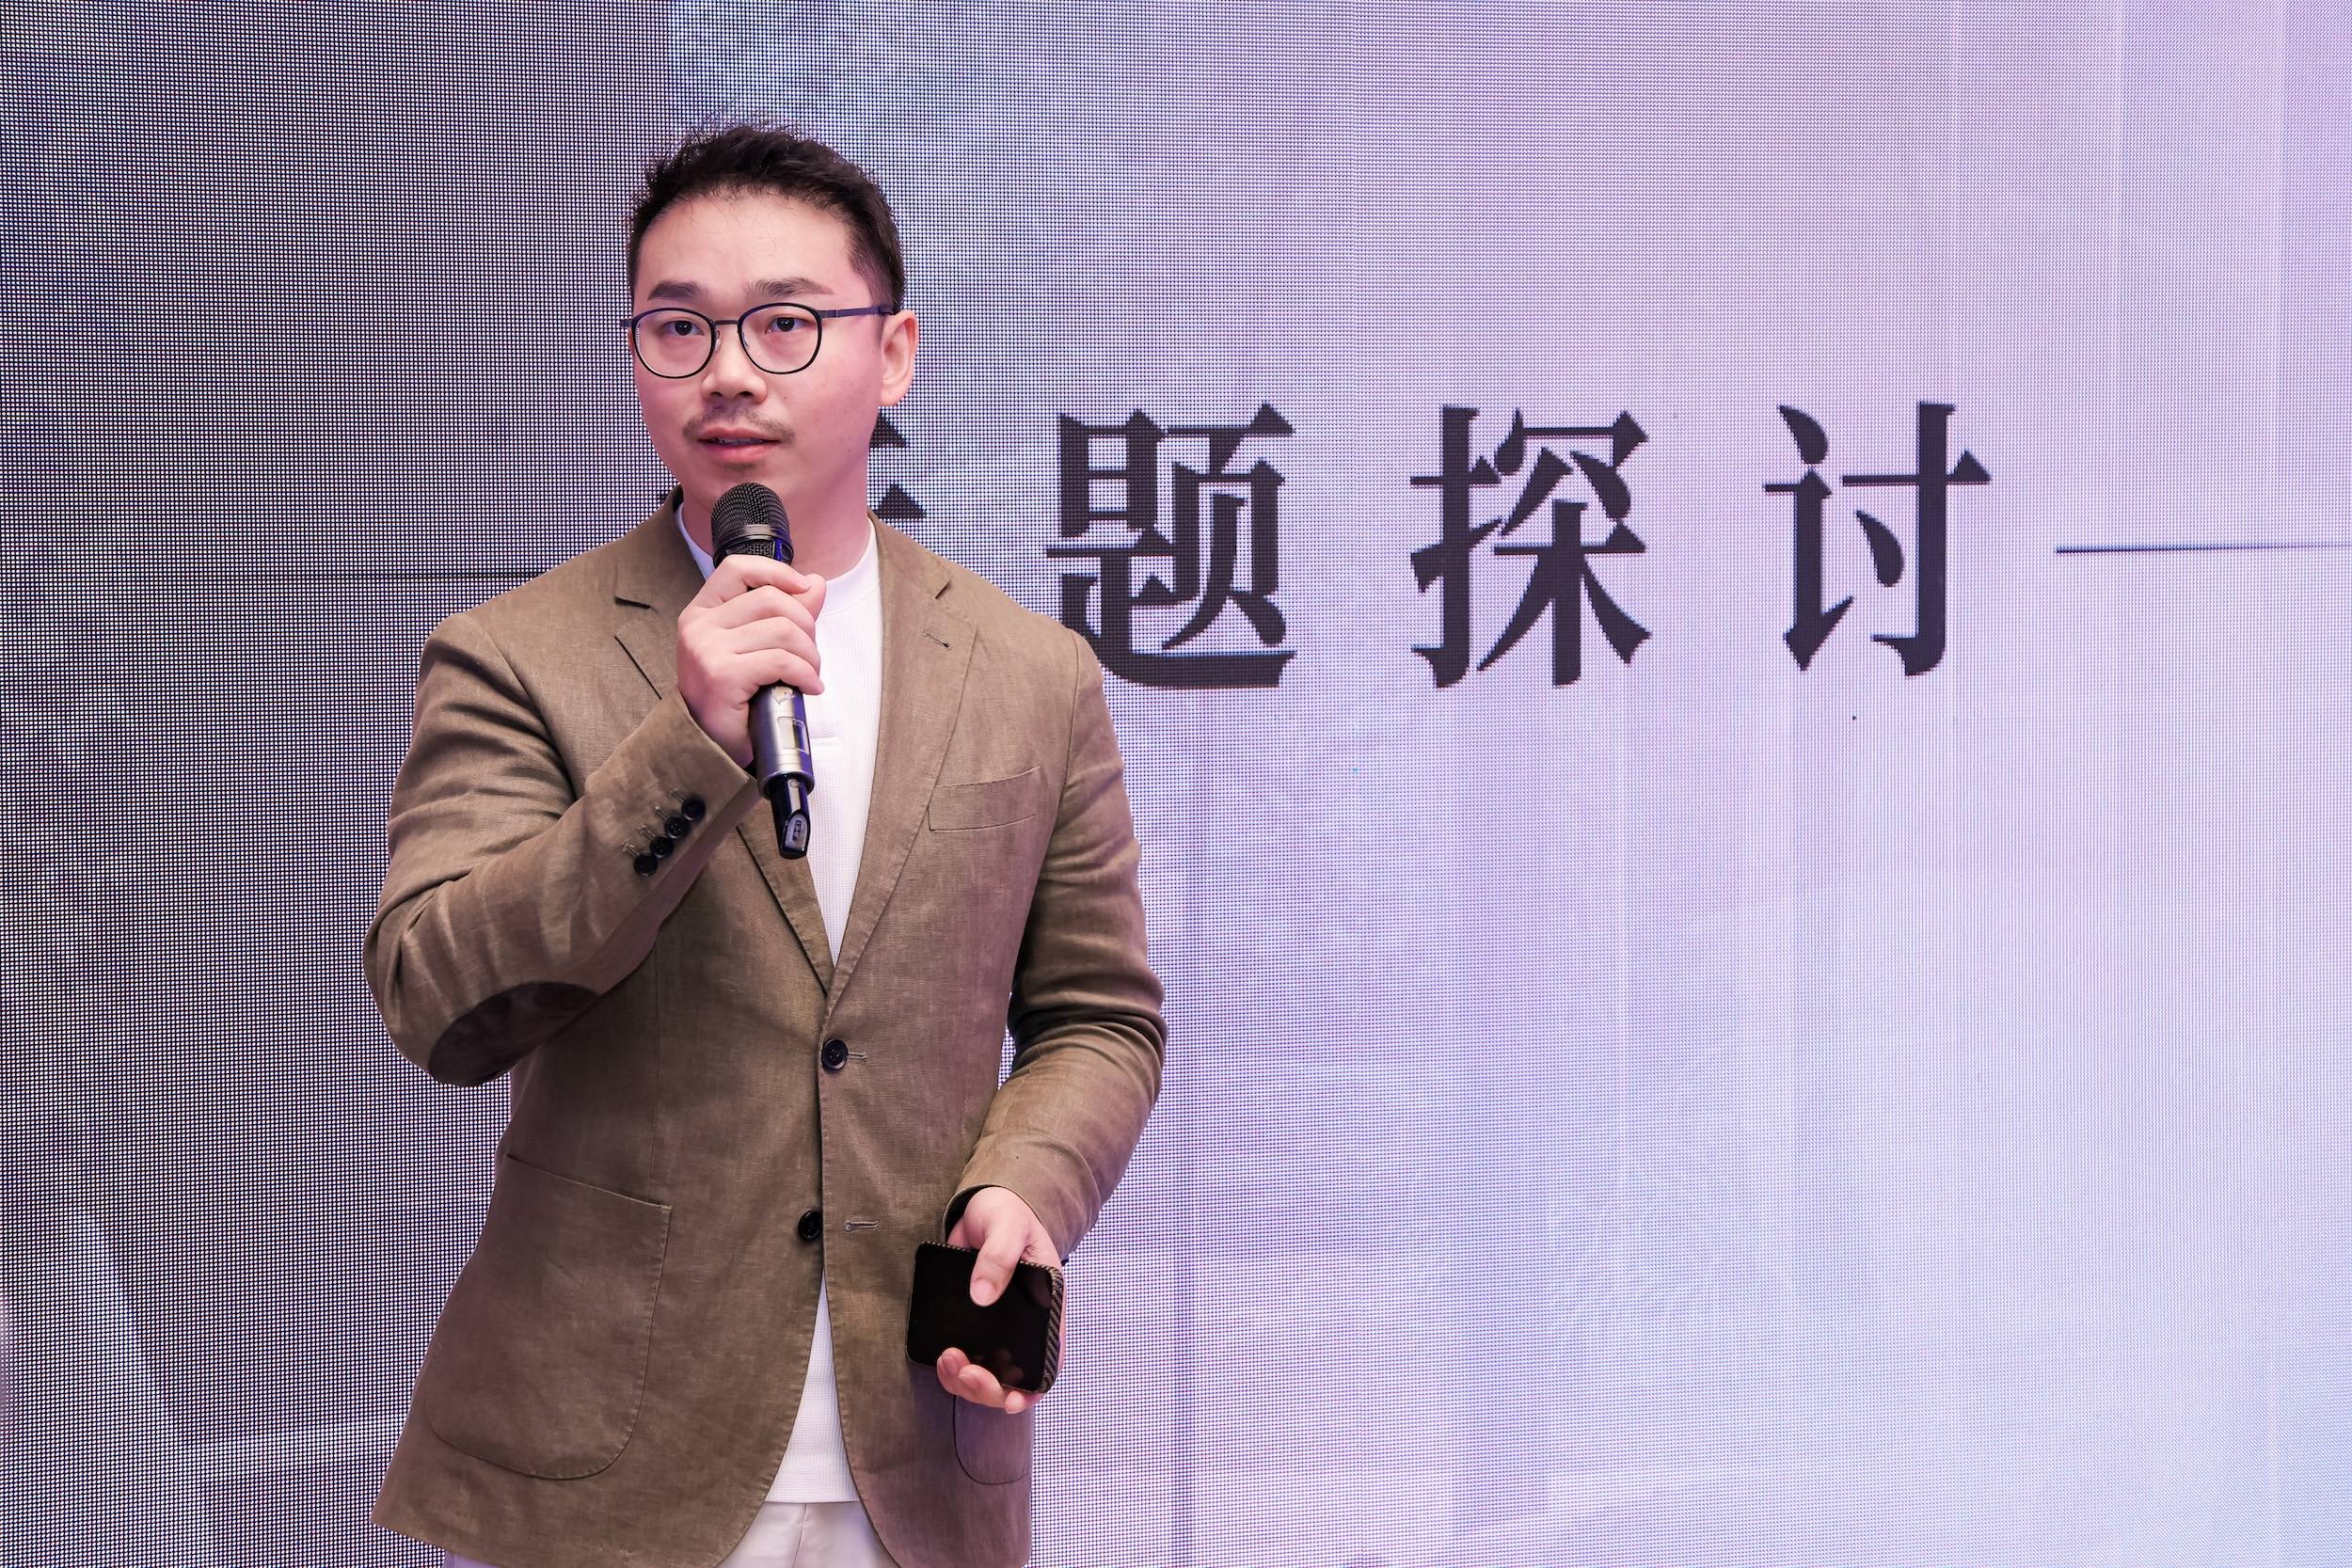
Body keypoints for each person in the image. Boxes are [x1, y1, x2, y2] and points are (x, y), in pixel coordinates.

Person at [363, 122, 1165, 1568]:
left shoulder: (1030, 674)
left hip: (922, 1432)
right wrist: (687, 746)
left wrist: (1024, 1189)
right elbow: (440, 1000)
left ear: (893, 351)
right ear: (635, 357)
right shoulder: (514, 653)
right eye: (679, 328)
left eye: (785, 323)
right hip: (608, 1456)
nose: (729, 372)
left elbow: (1099, 1017)